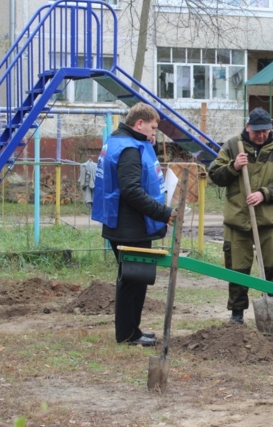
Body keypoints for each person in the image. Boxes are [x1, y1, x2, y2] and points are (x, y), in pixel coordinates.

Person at [92, 102, 176, 347]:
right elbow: (131, 191)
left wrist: (145, 145)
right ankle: (128, 335)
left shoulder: (121, 141)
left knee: (133, 281)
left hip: (122, 224)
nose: (154, 134)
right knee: (133, 281)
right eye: (152, 128)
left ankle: (131, 331)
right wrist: (164, 213)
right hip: (130, 228)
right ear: (139, 124)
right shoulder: (129, 149)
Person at [208, 108, 273, 324]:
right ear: (248, 127)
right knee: (237, 269)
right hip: (238, 220)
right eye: (257, 131)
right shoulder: (231, 146)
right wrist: (234, 166)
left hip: (269, 221)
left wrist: (264, 194)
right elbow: (215, 175)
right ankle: (237, 315)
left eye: (265, 131)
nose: (262, 135)